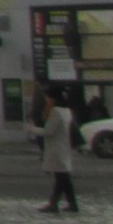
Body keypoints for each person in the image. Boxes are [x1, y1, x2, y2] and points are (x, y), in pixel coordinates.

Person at [37, 83, 79, 213]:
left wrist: (32, 129)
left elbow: (49, 131)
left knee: (62, 178)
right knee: (63, 178)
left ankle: (55, 204)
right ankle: (68, 203)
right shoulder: (66, 110)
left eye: (47, 97)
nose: (46, 99)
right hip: (63, 147)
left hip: (56, 149)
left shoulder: (56, 111)